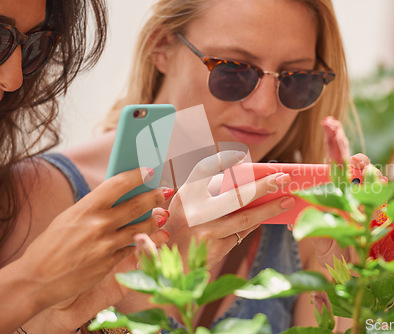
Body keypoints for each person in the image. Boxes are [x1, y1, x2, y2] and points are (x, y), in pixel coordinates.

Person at [71, 0, 357, 332]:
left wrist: (348, 286)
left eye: (296, 79)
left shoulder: (299, 221)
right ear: (161, 46)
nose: (264, 106)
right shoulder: (46, 193)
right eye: (234, 69)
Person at [0, 1, 173, 333]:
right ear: (160, 47)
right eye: (231, 70)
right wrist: (33, 281)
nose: (14, 78)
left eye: (35, 46)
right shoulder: (40, 185)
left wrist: (68, 314)